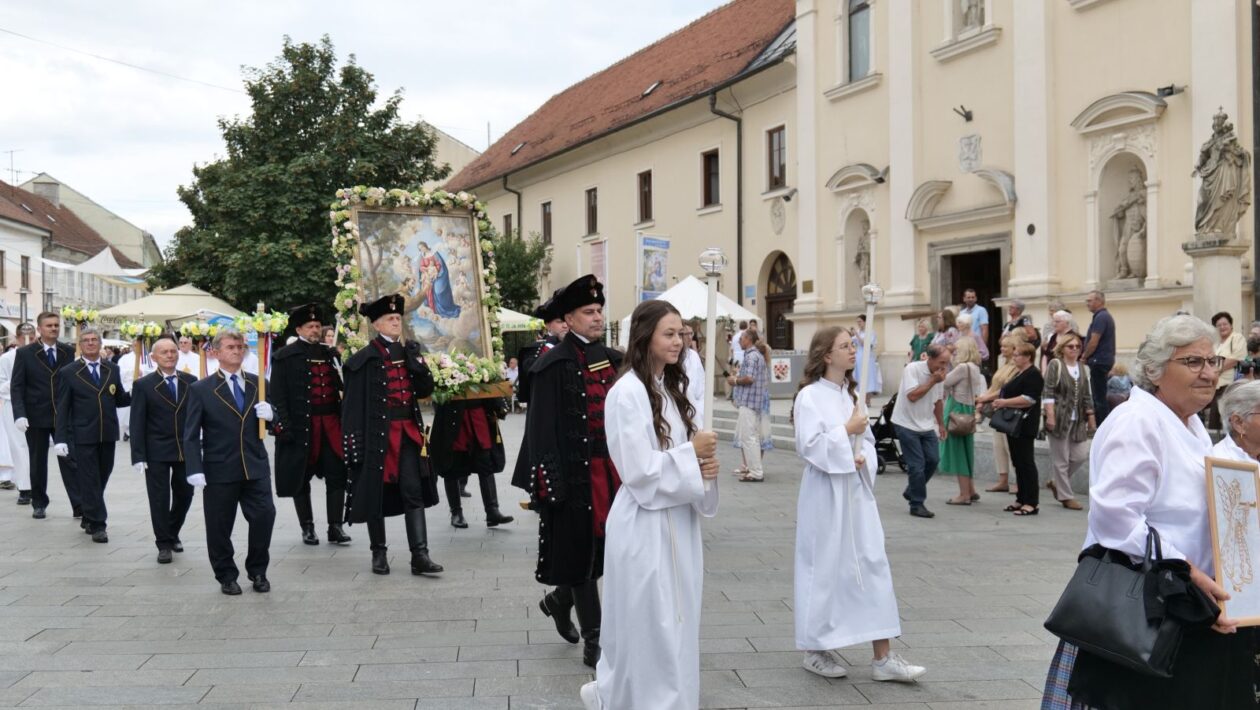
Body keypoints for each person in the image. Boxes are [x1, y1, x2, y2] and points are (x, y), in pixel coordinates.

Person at [1041, 315, 1253, 708]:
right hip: (1145, 606)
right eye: (1193, 362)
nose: (1208, 372)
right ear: (1155, 370)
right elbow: (1115, 521)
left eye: (1213, 361)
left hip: (1189, 601)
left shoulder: (1187, 424)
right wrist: (1189, 569)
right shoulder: (1137, 421)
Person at [579, 300, 720, 710]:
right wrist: (691, 456)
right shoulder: (627, 393)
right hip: (645, 526)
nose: (680, 341)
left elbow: (684, 460)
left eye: (682, 334)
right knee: (651, 627)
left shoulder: (670, 391)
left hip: (678, 524)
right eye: (669, 334)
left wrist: (704, 466)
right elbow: (638, 472)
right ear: (645, 337)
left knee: (677, 626)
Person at [791, 326, 928, 683]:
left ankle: (883, 658)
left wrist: (862, 454)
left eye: (853, 345)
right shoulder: (810, 397)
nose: (853, 351)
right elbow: (808, 445)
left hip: (855, 492)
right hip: (825, 493)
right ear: (826, 356)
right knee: (824, 568)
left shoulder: (851, 396)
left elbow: (865, 440)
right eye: (845, 346)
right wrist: (845, 434)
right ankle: (815, 649)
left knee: (872, 563)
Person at [525, 275, 622, 668]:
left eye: (599, 310)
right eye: (589, 312)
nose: (597, 317)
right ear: (569, 318)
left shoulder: (615, 360)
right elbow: (540, 432)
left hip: (615, 472)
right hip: (575, 473)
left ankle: (558, 601)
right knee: (583, 553)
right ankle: (594, 640)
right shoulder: (551, 365)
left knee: (607, 555)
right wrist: (549, 485)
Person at [342, 294, 443, 577]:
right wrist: (353, 447)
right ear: (377, 324)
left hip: (408, 433)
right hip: (377, 437)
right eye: (390, 318)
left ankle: (420, 555)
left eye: (398, 318)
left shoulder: (409, 351)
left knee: (413, 491)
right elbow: (350, 409)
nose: (396, 322)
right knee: (376, 493)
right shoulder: (361, 361)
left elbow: (424, 391)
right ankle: (379, 553)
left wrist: (416, 362)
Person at [184, 329, 276, 595]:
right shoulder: (201, 389)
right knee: (219, 525)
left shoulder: (258, 384)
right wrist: (194, 468)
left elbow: (278, 424)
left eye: (239, 347)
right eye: (230, 347)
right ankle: (225, 574)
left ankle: (258, 570)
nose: (236, 351)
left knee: (264, 516)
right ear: (216, 352)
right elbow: (190, 433)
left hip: (254, 465)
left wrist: (273, 415)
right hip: (219, 466)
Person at [270, 304, 351, 547]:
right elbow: (278, 395)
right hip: (301, 426)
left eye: (317, 326)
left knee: (337, 475)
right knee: (300, 477)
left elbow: (343, 386)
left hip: (331, 425)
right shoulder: (284, 356)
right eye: (310, 326)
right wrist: (283, 425)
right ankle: (307, 527)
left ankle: (335, 527)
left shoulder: (331, 355)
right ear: (299, 329)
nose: (315, 330)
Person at [54, 326, 132, 543]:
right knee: (90, 479)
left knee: (102, 476)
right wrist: (60, 438)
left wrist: (137, 390)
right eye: (86, 340)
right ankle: (98, 524)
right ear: (80, 345)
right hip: (82, 434)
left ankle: (88, 513)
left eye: (94, 340)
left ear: (100, 344)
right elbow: (62, 407)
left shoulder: (111, 369)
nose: (90, 343)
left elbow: (119, 399)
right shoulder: (69, 372)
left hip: (107, 433)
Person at [129, 335, 197, 563]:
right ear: (153, 357)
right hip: (156, 449)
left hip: (184, 448)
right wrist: (138, 455)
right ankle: (163, 543)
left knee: (185, 494)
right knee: (159, 497)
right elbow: (137, 421)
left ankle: (173, 530)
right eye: (164, 352)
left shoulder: (191, 380)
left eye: (173, 351)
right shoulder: (143, 385)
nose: (170, 355)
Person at [11, 311, 80, 520]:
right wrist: (19, 414)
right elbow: (17, 386)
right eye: (49, 326)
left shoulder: (68, 351)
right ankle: (39, 502)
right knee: (38, 461)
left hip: (63, 415)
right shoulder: (25, 353)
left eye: (56, 325)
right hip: (36, 414)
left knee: (70, 460)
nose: (54, 329)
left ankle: (79, 504)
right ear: (39, 329)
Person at [509, 295, 566, 501]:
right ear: (549, 325)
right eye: (560, 322)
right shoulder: (536, 352)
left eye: (566, 320)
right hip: (544, 421)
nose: (565, 326)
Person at [430, 397, 514, 529]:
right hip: (452, 416)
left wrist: (499, 406)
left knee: (486, 465)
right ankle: (456, 513)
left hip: (478, 416)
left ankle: (492, 511)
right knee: (451, 467)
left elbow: (490, 382)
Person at [891, 345, 950, 518]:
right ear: (929, 359)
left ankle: (912, 490)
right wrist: (933, 380)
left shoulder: (940, 376)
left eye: (946, 363)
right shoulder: (912, 369)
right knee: (916, 465)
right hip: (906, 423)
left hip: (926, 424)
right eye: (941, 362)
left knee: (933, 459)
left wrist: (941, 424)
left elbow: (938, 401)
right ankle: (916, 504)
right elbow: (913, 396)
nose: (943, 367)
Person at [1041, 331, 1094, 510]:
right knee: (1061, 459)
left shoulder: (1082, 367)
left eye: (1078, 346)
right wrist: (1050, 415)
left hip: (1078, 419)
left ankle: (1057, 483)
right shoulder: (1056, 365)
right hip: (1059, 418)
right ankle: (1066, 496)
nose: (1075, 349)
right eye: (1070, 346)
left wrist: (1091, 417)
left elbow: (1087, 394)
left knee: (1080, 456)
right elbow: (1048, 391)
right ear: (1062, 348)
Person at [992, 341, 1043, 516]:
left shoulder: (1034, 375)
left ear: (1028, 357)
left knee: (1026, 462)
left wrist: (1005, 402)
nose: (1014, 358)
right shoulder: (1019, 373)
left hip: (1025, 424)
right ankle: (1021, 499)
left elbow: (1029, 399)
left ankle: (1031, 502)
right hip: (1014, 424)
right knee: (1018, 462)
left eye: (1017, 355)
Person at [976, 334, 1024, 494]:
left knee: (1010, 447)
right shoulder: (1003, 364)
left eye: (1005, 347)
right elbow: (994, 385)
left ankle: (1016, 482)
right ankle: (1003, 480)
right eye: (1002, 346)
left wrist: (985, 398)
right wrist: (983, 401)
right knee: (999, 447)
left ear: (1014, 348)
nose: (1002, 349)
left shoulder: (1017, 367)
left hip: (1010, 410)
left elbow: (1005, 389)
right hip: (998, 410)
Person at [940, 337, 985, 506]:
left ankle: (964, 494)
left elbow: (944, 382)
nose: (954, 353)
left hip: (956, 409)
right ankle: (971, 490)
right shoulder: (974, 367)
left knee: (958, 452)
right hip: (968, 410)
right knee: (966, 451)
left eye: (956, 350)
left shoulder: (962, 367)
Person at [728, 329, 768, 482]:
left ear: (748, 339)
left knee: (749, 437)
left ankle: (756, 472)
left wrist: (735, 381)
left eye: (742, 338)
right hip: (754, 402)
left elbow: (750, 379)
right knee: (751, 437)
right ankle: (753, 470)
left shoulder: (751, 356)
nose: (739, 341)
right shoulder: (757, 355)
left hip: (749, 402)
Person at [0, 323, 34, 500]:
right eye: (23, 337)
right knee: (19, 446)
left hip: (36, 406)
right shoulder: (6, 359)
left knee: (36, 447)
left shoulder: (41, 355)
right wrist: (18, 381)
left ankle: (37, 483)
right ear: (17, 338)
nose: (27, 340)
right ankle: (24, 487)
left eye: (31, 337)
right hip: (12, 405)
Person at [1208, 311, 1248, 432]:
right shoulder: (1216, 344)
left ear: (1231, 325)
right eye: (1219, 325)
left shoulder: (1236, 338)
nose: (1222, 327)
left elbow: (1235, 359)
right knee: (1214, 419)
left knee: (1229, 419)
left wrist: (1216, 369)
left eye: (1225, 324)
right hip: (1215, 385)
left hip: (1230, 385)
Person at [1081, 290, 1116, 424]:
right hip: (1103, 360)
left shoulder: (1101, 317)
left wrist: (1085, 355)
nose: (1087, 303)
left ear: (1099, 301)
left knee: (1099, 397)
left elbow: (1094, 340)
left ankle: (1103, 426)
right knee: (1099, 396)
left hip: (1099, 361)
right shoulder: (1102, 316)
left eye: (1089, 301)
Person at [116, 337, 155, 441]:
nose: (136, 347)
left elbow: (153, 371)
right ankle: (128, 431)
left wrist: (143, 372)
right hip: (129, 386)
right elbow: (120, 373)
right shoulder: (124, 358)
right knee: (128, 411)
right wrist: (132, 371)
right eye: (134, 345)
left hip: (145, 387)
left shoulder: (149, 358)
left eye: (138, 345)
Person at [852, 314, 881, 407]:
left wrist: (856, 335)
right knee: (859, 377)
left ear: (865, 322)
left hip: (868, 357)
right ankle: (860, 400)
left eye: (860, 321)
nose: (858, 324)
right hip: (859, 357)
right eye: (857, 322)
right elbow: (853, 341)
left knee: (867, 378)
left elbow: (866, 344)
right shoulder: (858, 332)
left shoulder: (870, 332)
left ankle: (867, 400)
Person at [680, 320, 705, 420]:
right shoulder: (672, 357)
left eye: (691, 333)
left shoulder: (694, 355)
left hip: (695, 411)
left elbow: (702, 385)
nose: (690, 337)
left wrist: (699, 410)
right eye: (686, 334)